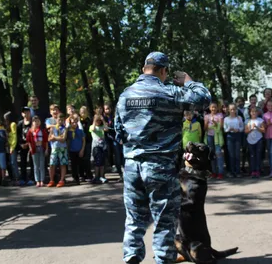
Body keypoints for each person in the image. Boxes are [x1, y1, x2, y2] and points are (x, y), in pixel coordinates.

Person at [115, 52, 211, 264]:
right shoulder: (169, 92)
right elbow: (204, 99)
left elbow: (118, 132)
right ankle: (162, 260)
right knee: (164, 221)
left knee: (134, 220)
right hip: (160, 167)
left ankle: (131, 258)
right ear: (163, 70)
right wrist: (189, 82)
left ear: (143, 69)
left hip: (132, 167)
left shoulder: (125, 95)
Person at [204, 102, 225, 179]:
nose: (213, 109)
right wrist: (206, 123)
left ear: (217, 108)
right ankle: (214, 172)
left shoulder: (220, 115)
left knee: (218, 154)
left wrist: (215, 122)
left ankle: (220, 172)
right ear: (209, 108)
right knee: (212, 154)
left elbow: (221, 127)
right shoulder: (206, 116)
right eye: (212, 107)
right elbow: (205, 129)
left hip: (217, 137)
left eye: (215, 107)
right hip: (209, 136)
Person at [223, 103, 244, 177]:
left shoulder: (239, 118)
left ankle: (238, 171)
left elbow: (242, 127)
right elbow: (225, 129)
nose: (232, 111)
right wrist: (229, 129)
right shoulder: (226, 119)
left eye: (234, 109)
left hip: (237, 135)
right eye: (231, 109)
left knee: (237, 154)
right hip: (229, 136)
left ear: (236, 110)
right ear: (228, 110)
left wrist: (238, 130)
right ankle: (232, 171)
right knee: (231, 155)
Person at [27, 116, 48, 187]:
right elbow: (29, 141)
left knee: (42, 165)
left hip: (41, 148)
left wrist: (46, 149)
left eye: (38, 121)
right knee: (36, 165)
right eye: (35, 121)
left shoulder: (42, 130)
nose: (36, 123)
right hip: (34, 149)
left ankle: (42, 180)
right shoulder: (30, 131)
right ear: (32, 122)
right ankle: (37, 180)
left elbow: (46, 140)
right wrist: (30, 148)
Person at [47, 113, 68, 187]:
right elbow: (49, 138)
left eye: (62, 119)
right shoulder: (53, 128)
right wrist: (55, 137)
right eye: (59, 119)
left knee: (63, 164)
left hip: (62, 148)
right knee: (52, 164)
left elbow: (63, 139)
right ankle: (51, 180)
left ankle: (62, 180)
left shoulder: (65, 128)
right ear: (56, 119)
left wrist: (55, 138)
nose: (60, 121)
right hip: (54, 148)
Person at [245, 107, 265, 178]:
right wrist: (251, 128)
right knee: (252, 156)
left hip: (258, 139)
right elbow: (246, 131)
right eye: (252, 112)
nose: (254, 113)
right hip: (250, 140)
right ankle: (253, 171)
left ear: (258, 113)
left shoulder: (260, 120)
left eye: (255, 111)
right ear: (250, 113)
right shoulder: (248, 121)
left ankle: (258, 170)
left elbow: (263, 130)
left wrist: (257, 127)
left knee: (258, 155)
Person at [17, 107, 34, 186]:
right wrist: (21, 144)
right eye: (24, 112)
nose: (26, 114)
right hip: (22, 145)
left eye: (28, 112)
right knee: (23, 161)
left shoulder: (32, 122)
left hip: (31, 144)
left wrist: (28, 143)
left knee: (31, 161)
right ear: (22, 114)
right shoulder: (20, 123)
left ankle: (31, 178)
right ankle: (23, 178)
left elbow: (34, 134)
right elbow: (18, 135)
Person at [67, 114, 85, 185]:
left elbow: (84, 141)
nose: (74, 124)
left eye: (75, 122)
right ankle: (75, 177)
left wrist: (82, 150)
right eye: (72, 123)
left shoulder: (80, 131)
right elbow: (67, 140)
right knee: (73, 165)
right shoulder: (68, 132)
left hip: (79, 150)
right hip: (72, 150)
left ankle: (81, 176)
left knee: (80, 164)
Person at [90, 114, 108, 183]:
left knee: (102, 162)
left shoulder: (102, 126)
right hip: (96, 146)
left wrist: (103, 120)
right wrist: (94, 120)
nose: (98, 122)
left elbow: (106, 129)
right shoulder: (92, 126)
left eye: (99, 121)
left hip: (103, 146)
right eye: (97, 121)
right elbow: (93, 129)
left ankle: (102, 176)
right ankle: (96, 176)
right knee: (97, 162)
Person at [4, 111, 19, 182]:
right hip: (8, 145)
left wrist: (12, 147)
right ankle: (12, 176)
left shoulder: (13, 124)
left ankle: (16, 177)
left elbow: (14, 136)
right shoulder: (6, 125)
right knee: (9, 162)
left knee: (13, 162)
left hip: (12, 146)